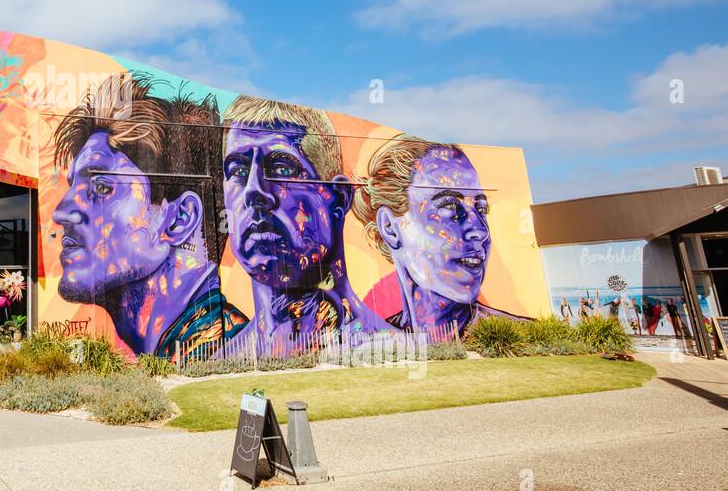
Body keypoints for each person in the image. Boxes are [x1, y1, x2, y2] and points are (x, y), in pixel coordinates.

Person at [50, 73, 246, 358]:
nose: (62, 212)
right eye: (73, 187)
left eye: (102, 187)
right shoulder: (191, 348)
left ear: (179, 220)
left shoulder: (228, 352)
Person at [219, 96, 392, 355]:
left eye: (282, 169)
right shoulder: (225, 361)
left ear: (338, 200)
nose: (254, 191)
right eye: (238, 171)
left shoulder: (387, 348)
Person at [352, 135, 528, 336]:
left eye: (482, 209)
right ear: (390, 228)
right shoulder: (372, 341)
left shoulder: (518, 335)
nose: (480, 230)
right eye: (450, 207)